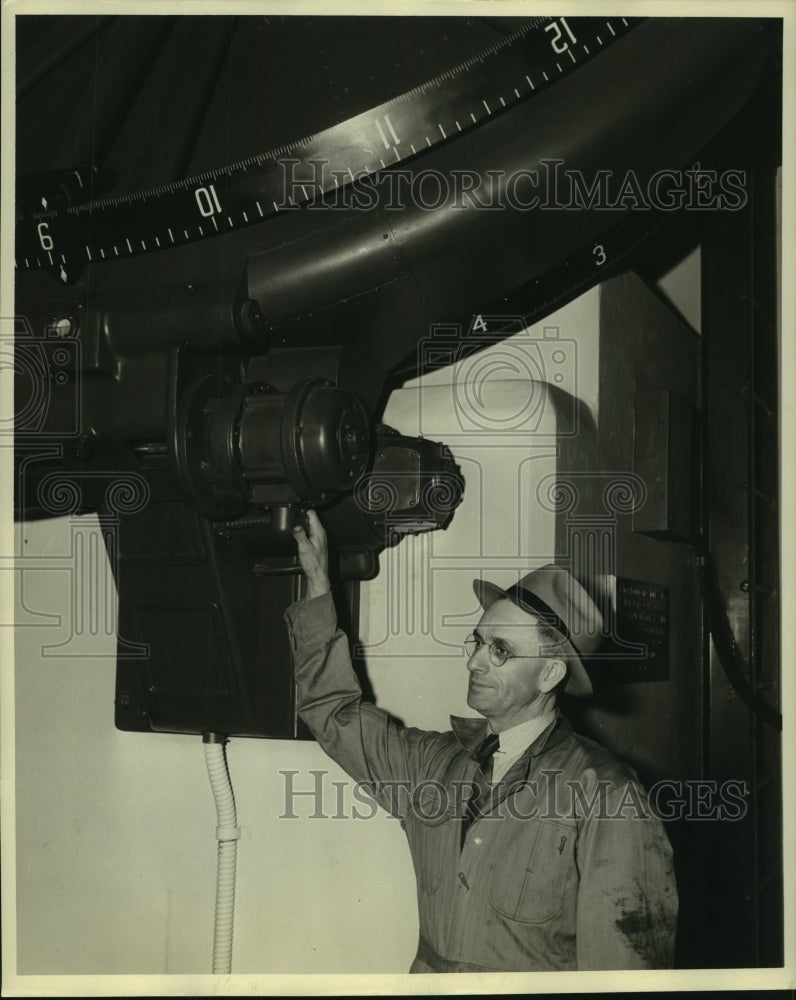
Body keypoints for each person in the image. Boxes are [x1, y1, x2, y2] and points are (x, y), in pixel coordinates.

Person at [284, 510, 678, 973]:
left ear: (550, 674)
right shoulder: (430, 764)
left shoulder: (608, 796)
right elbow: (332, 712)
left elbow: (622, 975)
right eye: (477, 641)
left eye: (501, 651)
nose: (474, 661)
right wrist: (318, 587)